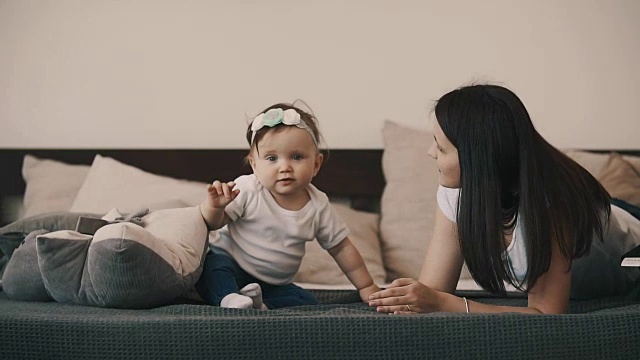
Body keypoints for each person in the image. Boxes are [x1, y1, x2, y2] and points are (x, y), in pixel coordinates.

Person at [368, 84, 640, 314]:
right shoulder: (457, 192)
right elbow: (435, 291)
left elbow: (546, 313)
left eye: (440, 147)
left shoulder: (552, 206)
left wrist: (445, 303)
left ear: (478, 160)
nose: (430, 153)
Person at [196, 102, 381, 309]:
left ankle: (259, 303)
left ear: (316, 164)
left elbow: (341, 248)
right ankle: (229, 298)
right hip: (232, 264)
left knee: (306, 302)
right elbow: (213, 223)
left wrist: (366, 286)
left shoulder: (318, 206)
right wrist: (216, 207)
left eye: (296, 157)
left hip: (274, 284)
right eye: (272, 158)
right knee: (212, 268)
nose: (285, 167)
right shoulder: (248, 189)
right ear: (254, 165)